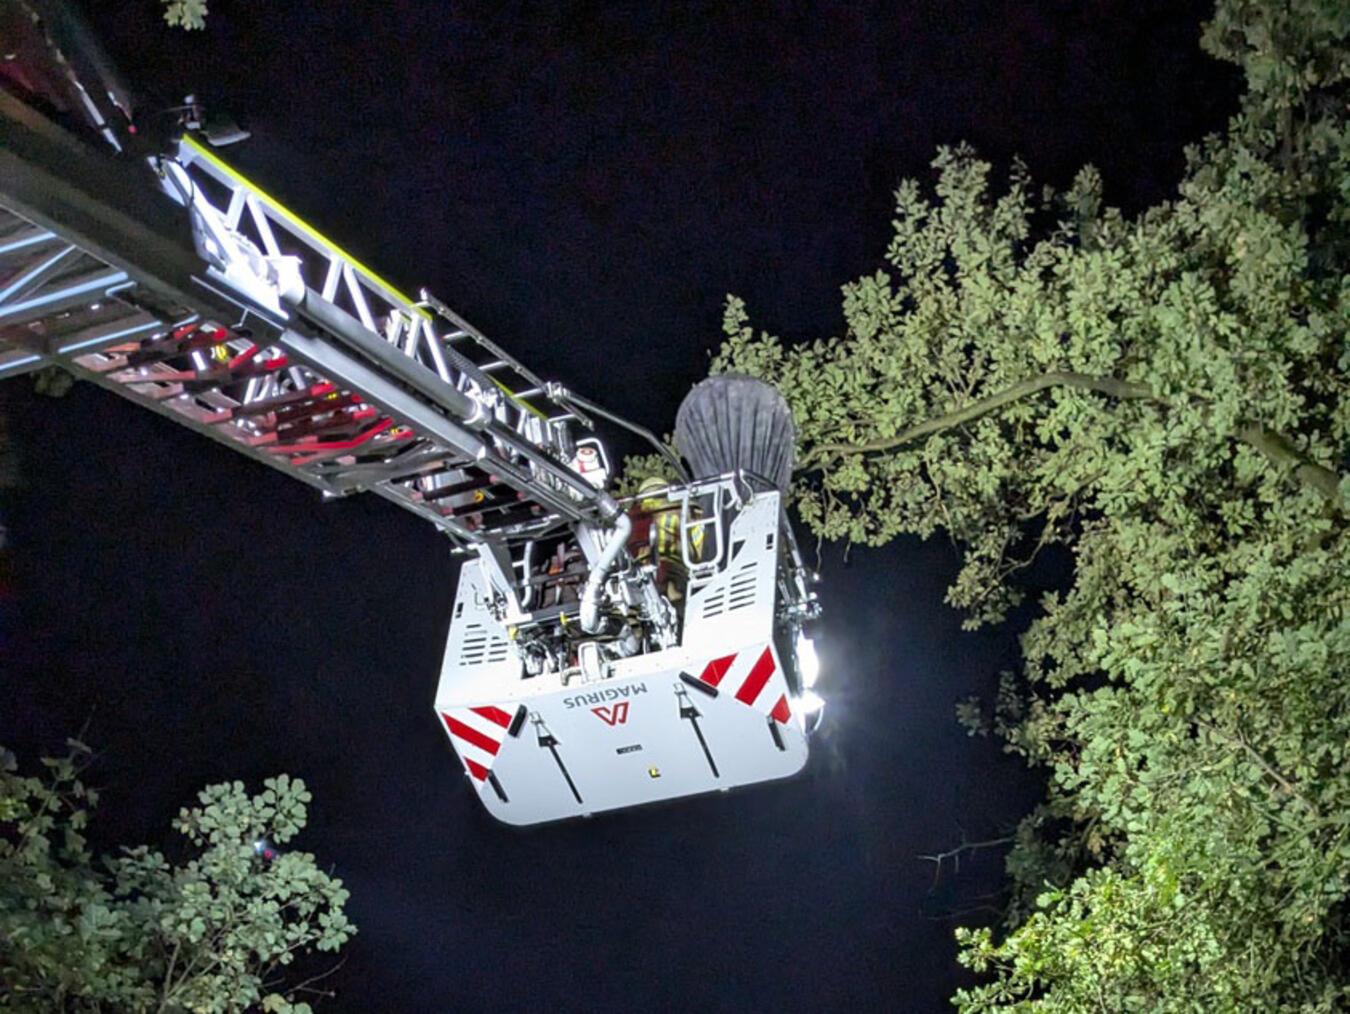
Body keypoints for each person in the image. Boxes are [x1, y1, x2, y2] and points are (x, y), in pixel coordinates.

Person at [627, 476, 703, 602]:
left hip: (639, 572)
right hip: (674, 566)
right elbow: (700, 543)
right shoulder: (683, 506)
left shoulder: (632, 515)